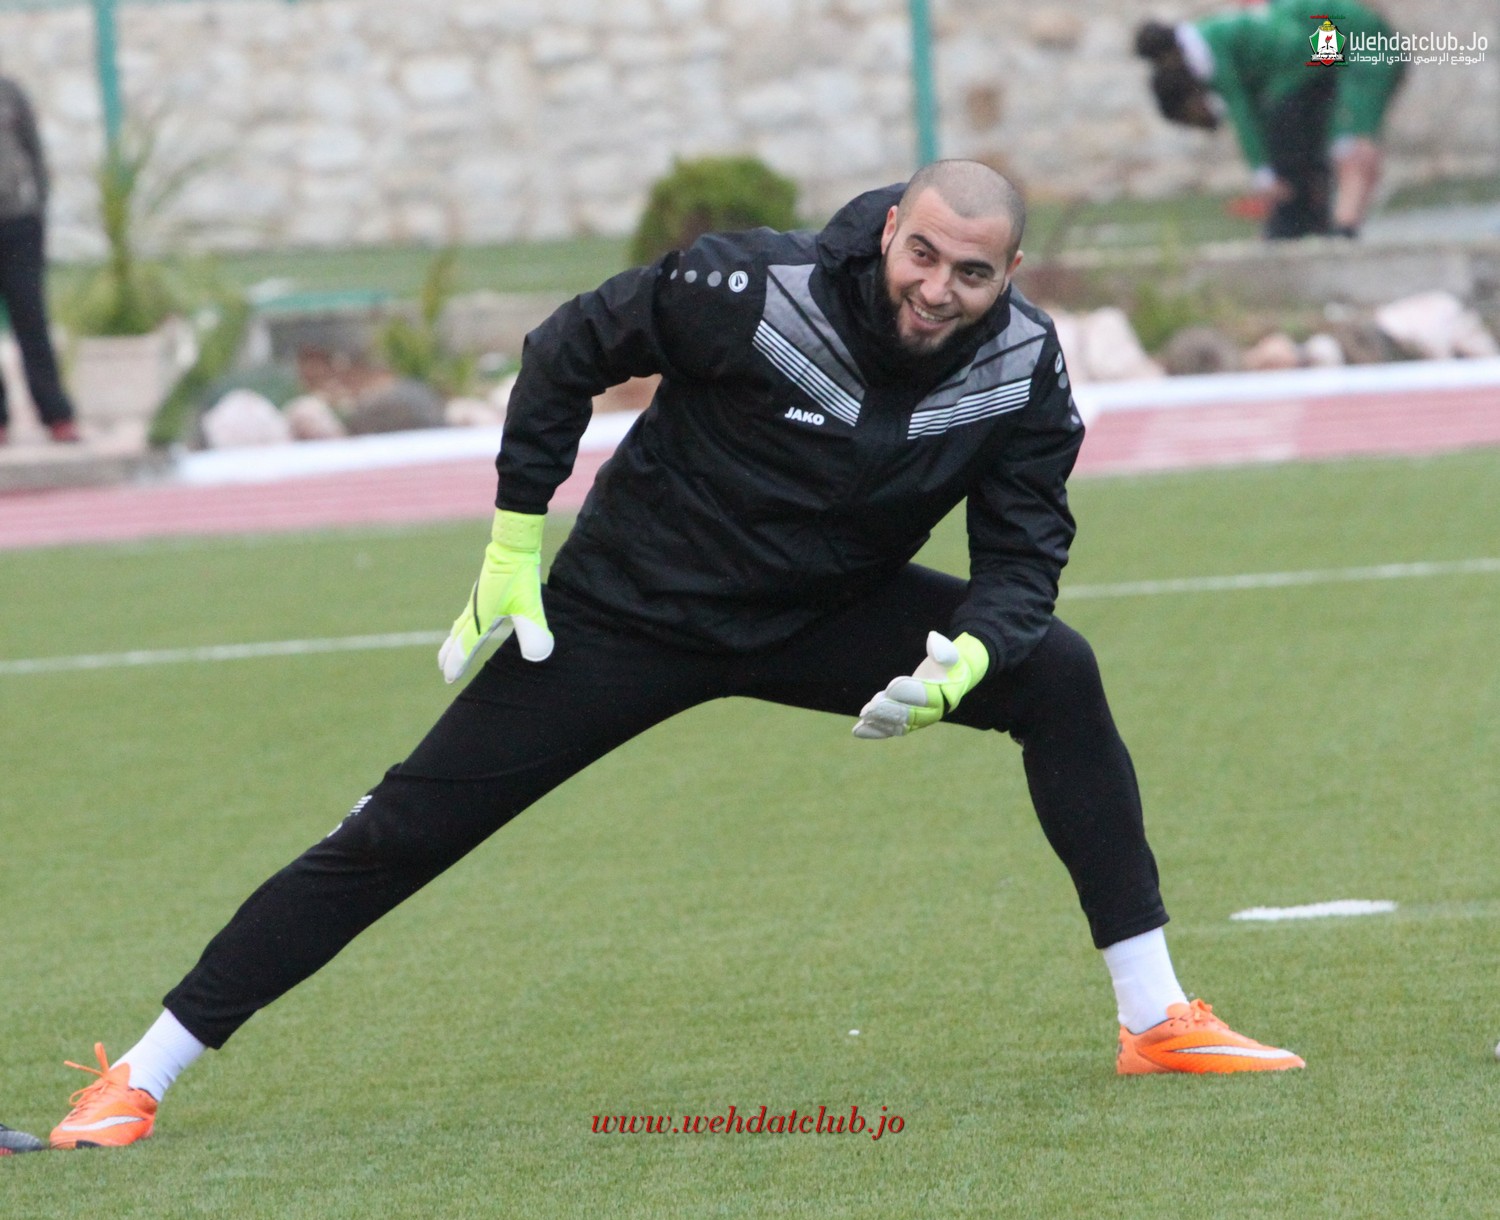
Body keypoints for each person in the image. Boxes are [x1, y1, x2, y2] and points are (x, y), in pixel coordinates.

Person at [50, 160, 1303, 1149]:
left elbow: (1024, 548)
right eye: (922, 254)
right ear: (890, 234)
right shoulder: (749, 286)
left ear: (1009, 273)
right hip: (631, 611)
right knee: (401, 828)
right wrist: (516, 536)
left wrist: (974, 655)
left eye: (971, 272)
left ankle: (1154, 1015)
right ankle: (141, 1075)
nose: (937, 287)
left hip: (825, 612)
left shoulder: (1024, 366)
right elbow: (568, 348)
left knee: (1056, 672)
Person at [1136, 1, 1404, 239]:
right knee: (1327, 143)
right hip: (1314, 60)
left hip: (1327, 56)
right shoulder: (1212, 38)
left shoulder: (1208, 52)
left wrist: (1262, 173)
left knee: (1349, 144)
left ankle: (1342, 228)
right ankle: (1328, 223)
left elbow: (1243, 111)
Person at [0, 70, 79, 445]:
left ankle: (57, 415)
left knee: (31, 320)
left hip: (19, 222)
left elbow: (34, 152)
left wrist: (39, 209)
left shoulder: (9, 93)